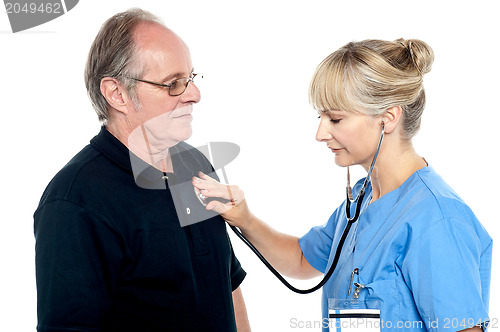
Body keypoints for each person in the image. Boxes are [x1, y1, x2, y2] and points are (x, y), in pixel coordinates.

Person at [193, 39, 491, 331]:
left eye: (335, 119)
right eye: (320, 116)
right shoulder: (363, 200)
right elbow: (301, 260)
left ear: (387, 118)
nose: (320, 133)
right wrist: (244, 217)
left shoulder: (437, 220)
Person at [34, 9, 250, 332]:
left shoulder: (194, 165)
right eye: (173, 84)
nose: (195, 94)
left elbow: (227, 285)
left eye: (190, 78)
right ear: (117, 93)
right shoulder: (74, 202)